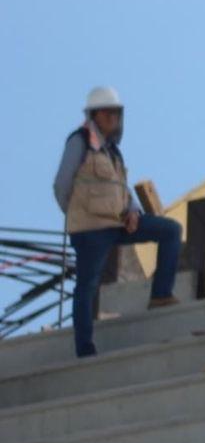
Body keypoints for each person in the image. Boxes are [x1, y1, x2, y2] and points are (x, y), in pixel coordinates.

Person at [53, 86, 182, 357]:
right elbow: (62, 184)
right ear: (95, 114)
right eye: (107, 112)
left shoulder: (112, 152)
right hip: (91, 230)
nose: (113, 117)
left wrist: (133, 212)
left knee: (171, 231)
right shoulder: (80, 142)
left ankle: (160, 295)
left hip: (117, 224)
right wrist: (76, 217)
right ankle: (85, 347)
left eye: (115, 113)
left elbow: (121, 190)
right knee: (87, 285)